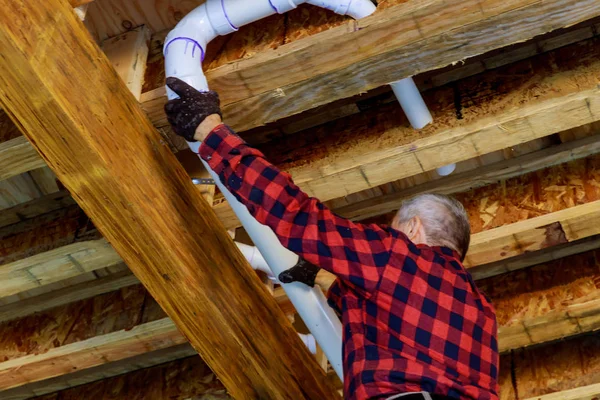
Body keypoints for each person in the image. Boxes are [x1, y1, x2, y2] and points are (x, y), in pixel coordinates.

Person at [164, 77, 499, 400]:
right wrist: (321, 276)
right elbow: (386, 314)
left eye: (395, 226)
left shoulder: (397, 256)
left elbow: (297, 215)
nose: (392, 233)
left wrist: (209, 131)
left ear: (413, 228)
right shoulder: (482, 314)